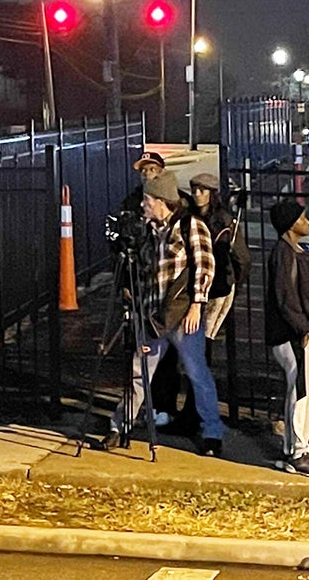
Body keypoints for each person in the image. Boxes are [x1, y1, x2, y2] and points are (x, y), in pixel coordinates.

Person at [102, 171, 225, 456]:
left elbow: (205, 265)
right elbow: (145, 275)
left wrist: (197, 304)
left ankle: (212, 433)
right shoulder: (149, 233)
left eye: (147, 200)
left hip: (183, 316)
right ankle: (119, 426)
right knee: (138, 372)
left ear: (161, 201)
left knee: (196, 373)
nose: (143, 205)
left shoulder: (190, 225)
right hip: (155, 318)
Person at [160, 172, 251, 436]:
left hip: (212, 295)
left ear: (213, 193)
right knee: (190, 355)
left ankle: (196, 417)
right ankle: (192, 414)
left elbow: (242, 259)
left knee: (199, 356)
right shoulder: (191, 218)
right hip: (193, 294)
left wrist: (231, 283)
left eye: (203, 190)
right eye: (195, 188)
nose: (198, 193)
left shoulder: (223, 222)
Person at [265, 200, 309, 477]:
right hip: (293, 335)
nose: (308, 222)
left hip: (297, 333)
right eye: (303, 218)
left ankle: (294, 448)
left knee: (300, 388)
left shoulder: (293, 252)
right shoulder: (285, 254)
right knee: (302, 391)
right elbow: (286, 297)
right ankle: (299, 452)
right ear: (291, 224)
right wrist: (303, 329)